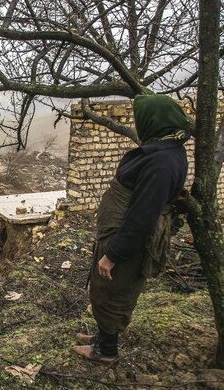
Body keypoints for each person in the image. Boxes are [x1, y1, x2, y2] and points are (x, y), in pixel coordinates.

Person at [73, 94, 191, 363]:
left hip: (126, 235)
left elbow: (143, 215)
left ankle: (106, 351)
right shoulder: (162, 151)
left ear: (154, 120)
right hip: (117, 228)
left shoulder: (162, 162)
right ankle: (103, 337)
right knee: (105, 288)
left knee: (116, 289)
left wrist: (114, 254)